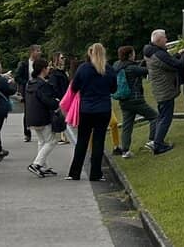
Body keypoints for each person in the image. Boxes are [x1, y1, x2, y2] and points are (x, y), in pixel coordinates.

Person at [66, 43, 116, 181]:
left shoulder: (83, 69)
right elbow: (113, 89)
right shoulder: (109, 70)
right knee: (98, 141)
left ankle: (74, 172)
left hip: (86, 108)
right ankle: (96, 173)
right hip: (103, 108)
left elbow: (74, 87)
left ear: (90, 53)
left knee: (82, 140)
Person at [113, 46, 158, 158]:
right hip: (136, 99)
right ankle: (152, 141)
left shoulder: (117, 66)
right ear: (129, 55)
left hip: (124, 100)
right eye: (133, 53)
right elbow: (147, 70)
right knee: (154, 117)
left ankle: (125, 151)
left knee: (127, 126)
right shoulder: (132, 68)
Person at [143, 29, 183, 154]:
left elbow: (169, 61)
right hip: (165, 90)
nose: (167, 40)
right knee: (166, 117)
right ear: (159, 40)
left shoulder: (152, 52)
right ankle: (158, 144)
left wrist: (177, 54)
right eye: (165, 38)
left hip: (159, 89)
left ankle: (157, 141)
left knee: (161, 116)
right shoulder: (159, 55)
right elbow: (177, 64)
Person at [25, 58, 61, 178]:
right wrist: (56, 103)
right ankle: (36, 164)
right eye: (47, 68)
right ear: (43, 69)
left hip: (31, 117)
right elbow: (47, 101)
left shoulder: (30, 83)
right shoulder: (42, 85)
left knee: (42, 141)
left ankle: (43, 166)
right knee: (52, 140)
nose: (48, 69)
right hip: (42, 117)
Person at [14, 44, 42, 142]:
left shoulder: (40, 63)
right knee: (28, 111)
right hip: (28, 90)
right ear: (32, 52)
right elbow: (17, 77)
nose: (39, 52)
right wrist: (26, 83)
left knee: (40, 110)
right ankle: (27, 133)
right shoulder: (25, 64)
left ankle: (41, 131)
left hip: (39, 89)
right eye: (37, 51)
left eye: (40, 51)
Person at [48, 52, 70, 144]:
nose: (63, 59)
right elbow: (54, 87)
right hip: (61, 98)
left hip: (65, 97)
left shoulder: (63, 72)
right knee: (62, 117)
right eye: (62, 58)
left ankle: (63, 136)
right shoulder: (54, 74)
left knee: (65, 117)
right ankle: (62, 136)